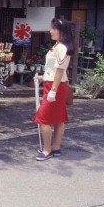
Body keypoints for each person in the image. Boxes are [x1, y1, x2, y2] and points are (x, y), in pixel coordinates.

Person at [33, 17, 74, 161]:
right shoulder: (57, 46)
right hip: (52, 84)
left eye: (54, 29)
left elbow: (59, 71)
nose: (51, 31)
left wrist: (53, 91)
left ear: (62, 31)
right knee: (58, 118)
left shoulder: (62, 47)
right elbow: (52, 69)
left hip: (56, 87)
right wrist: (43, 77)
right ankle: (56, 147)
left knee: (43, 119)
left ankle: (47, 150)